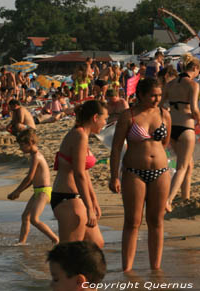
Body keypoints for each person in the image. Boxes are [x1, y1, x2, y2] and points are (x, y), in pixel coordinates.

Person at [109, 78, 170, 271]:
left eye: (159, 95)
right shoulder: (129, 116)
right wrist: (114, 176)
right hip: (134, 171)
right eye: (152, 95)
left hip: (161, 171)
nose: (156, 99)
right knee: (132, 221)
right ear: (141, 95)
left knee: (156, 221)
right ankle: (127, 270)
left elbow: (165, 144)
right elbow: (116, 148)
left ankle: (156, 269)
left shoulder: (164, 114)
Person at [51, 100, 106, 249]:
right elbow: (79, 174)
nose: (105, 123)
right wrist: (89, 207)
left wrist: (94, 201)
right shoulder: (79, 136)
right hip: (67, 197)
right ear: (95, 118)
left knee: (96, 244)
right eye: (104, 119)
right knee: (69, 252)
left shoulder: (83, 135)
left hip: (77, 197)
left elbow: (85, 173)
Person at [162, 54, 200, 212]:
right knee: (182, 166)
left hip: (172, 128)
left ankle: (185, 197)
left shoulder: (170, 85)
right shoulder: (192, 85)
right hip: (186, 127)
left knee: (188, 164)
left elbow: (161, 105)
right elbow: (194, 109)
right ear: (195, 68)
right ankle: (168, 200)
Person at [8, 129, 59, 245]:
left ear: (30, 143)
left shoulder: (36, 156)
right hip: (38, 191)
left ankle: (55, 239)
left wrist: (17, 191)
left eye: (22, 145)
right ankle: (22, 242)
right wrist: (19, 191)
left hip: (44, 192)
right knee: (25, 216)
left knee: (34, 219)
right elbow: (32, 180)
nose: (20, 148)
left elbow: (29, 178)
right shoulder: (34, 156)